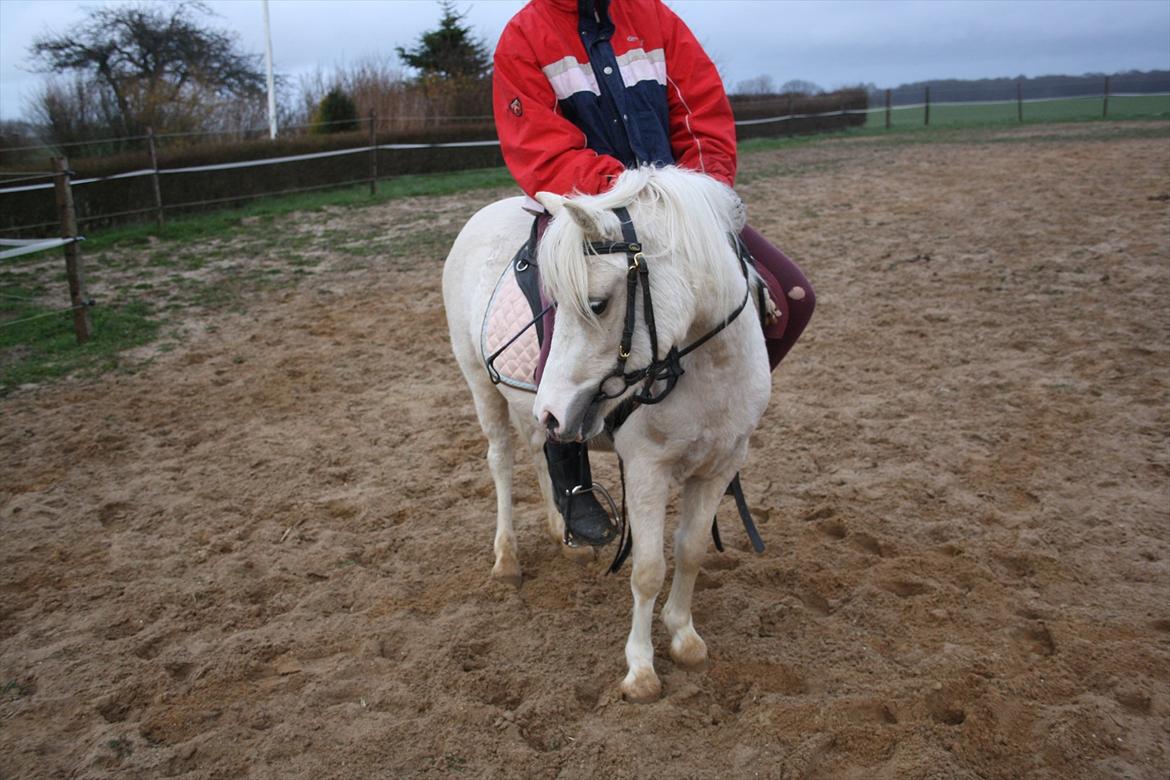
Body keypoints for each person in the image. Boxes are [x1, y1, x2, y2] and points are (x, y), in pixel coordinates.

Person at [492, 0, 814, 546]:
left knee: (794, 296)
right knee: (565, 317)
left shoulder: (655, 18)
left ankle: (715, 431)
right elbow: (540, 148)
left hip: (678, 210)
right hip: (585, 211)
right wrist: (628, 195)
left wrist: (698, 199)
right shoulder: (524, 36)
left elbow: (702, 114)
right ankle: (571, 476)